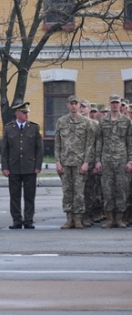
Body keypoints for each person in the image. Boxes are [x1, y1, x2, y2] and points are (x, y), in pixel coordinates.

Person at [1, 100, 43, 229]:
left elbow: (39, 148)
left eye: (27, 112)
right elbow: (5, 149)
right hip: (14, 167)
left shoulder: (34, 128)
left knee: (29, 195)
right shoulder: (9, 128)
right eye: (24, 112)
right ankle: (17, 220)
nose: (27, 115)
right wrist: (5, 167)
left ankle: (28, 220)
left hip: (29, 167)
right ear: (17, 114)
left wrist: (37, 166)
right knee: (15, 195)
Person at [54, 95, 95, 229]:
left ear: (79, 106)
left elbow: (89, 144)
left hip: (79, 162)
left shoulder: (86, 122)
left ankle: (78, 218)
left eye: (76, 104)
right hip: (65, 162)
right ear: (67, 105)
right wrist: (58, 161)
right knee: (67, 191)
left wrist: (86, 162)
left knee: (79, 192)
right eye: (71, 103)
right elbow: (57, 143)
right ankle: (69, 218)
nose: (73, 106)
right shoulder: (61, 122)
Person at [93, 94, 132, 228]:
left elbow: (129, 142)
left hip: (122, 159)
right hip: (106, 159)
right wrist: (97, 160)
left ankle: (120, 218)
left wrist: (130, 160)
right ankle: (110, 218)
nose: (115, 105)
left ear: (120, 105)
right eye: (113, 103)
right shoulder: (103, 121)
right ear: (110, 104)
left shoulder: (126, 122)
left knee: (121, 189)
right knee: (107, 188)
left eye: (117, 103)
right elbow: (99, 141)